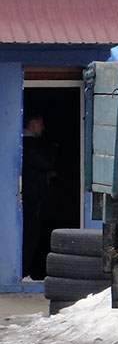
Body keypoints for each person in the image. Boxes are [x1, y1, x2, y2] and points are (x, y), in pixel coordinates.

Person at [22, 112, 58, 280]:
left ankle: (25, 271)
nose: (43, 128)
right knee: (29, 236)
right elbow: (44, 163)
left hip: (32, 198)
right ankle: (23, 272)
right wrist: (53, 149)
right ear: (32, 124)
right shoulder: (28, 144)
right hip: (31, 200)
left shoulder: (29, 144)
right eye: (40, 124)